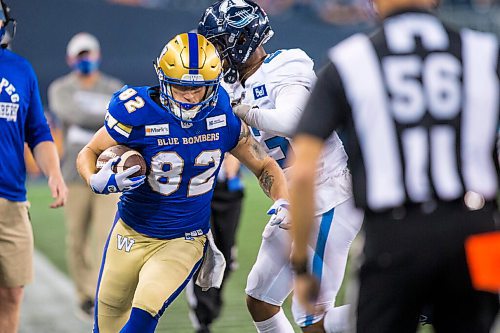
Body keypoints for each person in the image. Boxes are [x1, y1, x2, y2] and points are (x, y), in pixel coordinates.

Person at [289, 0, 500, 332]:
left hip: (393, 234)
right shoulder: (483, 52)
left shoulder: (351, 61)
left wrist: (301, 266)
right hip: (479, 231)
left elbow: (302, 171)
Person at [76, 32, 289, 333]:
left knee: (142, 316)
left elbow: (263, 163)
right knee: (106, 325)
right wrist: (94, 179)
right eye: (181, 87)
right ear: (163, 80)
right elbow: (90, 151)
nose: (190, 96)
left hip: (183, 240)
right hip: (129, 232)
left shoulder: (219, 114)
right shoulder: (136, 111)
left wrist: (282, 199)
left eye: (199, 88)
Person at [198, 1, 364, 332]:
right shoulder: (232, 85)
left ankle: (404, 305)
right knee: (259, 300)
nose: (214, 52)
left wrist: (245, 112)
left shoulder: (286, 64)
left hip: (328, 195)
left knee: (314, 321)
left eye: (219, 43)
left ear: (241, 39)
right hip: (291, 201)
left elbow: (295, 120)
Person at [0, 1, 68, 332]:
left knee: (12, 296)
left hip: (11, 200)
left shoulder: (20, 69)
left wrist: (54, 172)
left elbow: (38, 132)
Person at [48, 32, 123, 318]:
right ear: (71, 60)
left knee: (106, 235)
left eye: (88, 54)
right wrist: (107, 120)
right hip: (74, 173)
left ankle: (103, 293)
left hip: (109, 170)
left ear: (97, 55)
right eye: (80, 56)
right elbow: (70, 113)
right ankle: (84, 295)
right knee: (76, 239)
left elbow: (120, 117)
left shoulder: (112, 85)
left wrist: (103, 119)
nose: (85, 60)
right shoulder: (61, 88)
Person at [187, 153, 245, 333]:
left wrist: (236, 156)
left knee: (226, 258)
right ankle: (202, 319)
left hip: (228, 188)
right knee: (203, 255)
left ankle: (211, 306)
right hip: (198, 190)